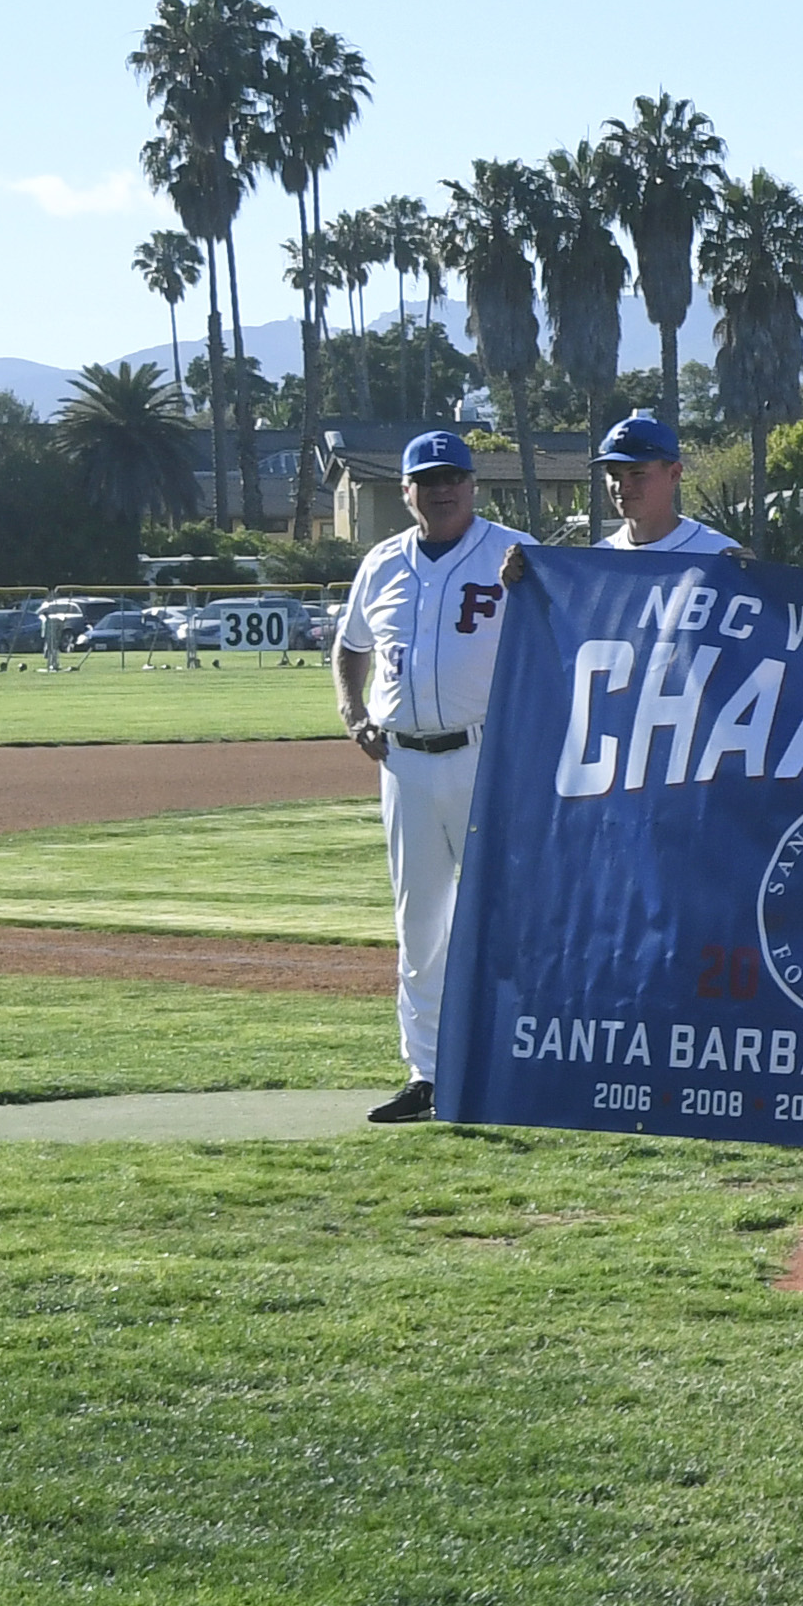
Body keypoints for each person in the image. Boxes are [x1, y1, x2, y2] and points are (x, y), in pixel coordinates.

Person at [334, 432, 535, 1122]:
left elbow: (571, 625)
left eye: (454, 475)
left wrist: (534, 581)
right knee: (420, 924)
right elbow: (350, 645)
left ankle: (515, 1065)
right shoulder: (382, 563)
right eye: (428, 478)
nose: (442, 487)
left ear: (474, 484)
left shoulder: (514, 552)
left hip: (489, 757)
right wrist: (352, 712)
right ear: (406, 491)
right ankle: (428, 1075)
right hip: (406, 764)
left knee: (507, 915)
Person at [591, 413, 736, 554]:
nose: (623, 485)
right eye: (614, 475)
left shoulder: (716, 553)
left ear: (674, 474)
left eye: (637, 473)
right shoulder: (597, 561)